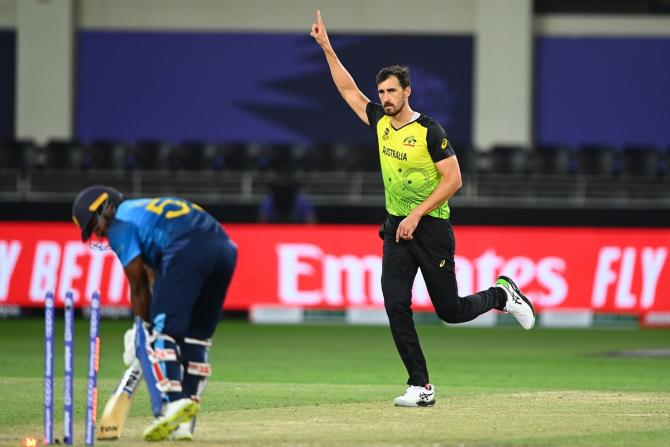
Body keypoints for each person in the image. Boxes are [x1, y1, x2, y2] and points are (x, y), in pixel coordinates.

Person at [310, 10, 535, 407]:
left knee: (450, 310)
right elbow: (348, 91)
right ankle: (421, 386)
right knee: (396, 305)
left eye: (391, 92)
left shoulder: (430, 131)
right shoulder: (380, 122)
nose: (385, 99)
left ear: (408, 91)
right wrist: (327, 47)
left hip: (430, 229)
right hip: (396, 228)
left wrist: (417, 214)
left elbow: (454, 181)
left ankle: (502, 295)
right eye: (381, 93)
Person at [72, 185, 237, 440]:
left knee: (161, 333)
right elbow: (156, 276)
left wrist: (143, 329)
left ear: (106, 208)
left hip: (186, 248)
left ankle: (174, 402)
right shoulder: (143, 209)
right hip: (225, 249)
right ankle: (184, 423)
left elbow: (138, 286)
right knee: (196, 339)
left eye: (94, 224)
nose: (98, 232)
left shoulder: (120, 224)